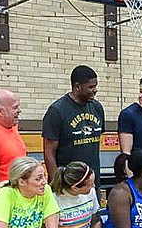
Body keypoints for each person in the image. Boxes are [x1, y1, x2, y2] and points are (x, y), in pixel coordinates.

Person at [43, 65, 105, 193]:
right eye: (91, 87)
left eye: (95, 86)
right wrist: (56, 184)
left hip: (92, 183)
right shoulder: (57, 111)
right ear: (77, 87)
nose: (95, 90)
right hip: (68, 185)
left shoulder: (97, 107)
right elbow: (49, 152)